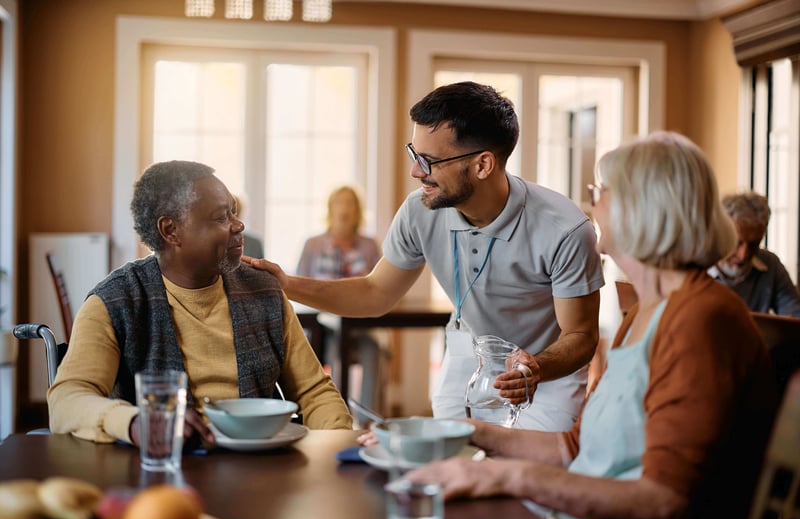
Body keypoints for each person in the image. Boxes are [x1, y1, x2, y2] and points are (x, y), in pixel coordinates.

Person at [404, 131, 777, 519]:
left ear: (642, 209)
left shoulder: (702, 319)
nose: (591, 201)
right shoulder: (643, 314)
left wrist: (505, 476)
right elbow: (576, 449)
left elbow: (664, 501)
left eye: (600, 190)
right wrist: (469, 432)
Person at [246, 81, 605, 431]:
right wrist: (287, 285)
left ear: (482, 165)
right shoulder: (419, 210)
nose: (416, 171)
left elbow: (581, 335)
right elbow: (375, 294)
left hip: (545, 371)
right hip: (467, 352)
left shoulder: (565, 230)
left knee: (526, 478)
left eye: (429, 161)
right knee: (454, 469)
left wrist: (536, 367)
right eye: (414, 154)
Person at [47, 160, 352, 447]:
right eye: (221, 217)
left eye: (233, 212)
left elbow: (314, 393)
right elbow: (67, 400)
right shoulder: (115, 301)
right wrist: (136, 423)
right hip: (162, 469)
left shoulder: (264, 290)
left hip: (260, 466)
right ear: (170, 230)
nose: (238, 225)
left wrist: (337, 450)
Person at [296, 185, 385, 411]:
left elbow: (381, 284)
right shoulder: (313, 244)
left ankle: (366, 418)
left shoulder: (368, 244)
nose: (344, 209)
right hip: (323, 330)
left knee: (374, 350)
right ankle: (336, 413)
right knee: (337, 349)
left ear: (358, 211)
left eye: (350, 203)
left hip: (360, 325)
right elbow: (299, 283)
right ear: (330, 208)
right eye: (339, 202)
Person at [708, 191, 800, 316]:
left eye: (754, 245)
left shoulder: (771, 264)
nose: (743, 255)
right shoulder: (696, 266)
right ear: (720, 232)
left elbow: (794, 316)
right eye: (737, 243)